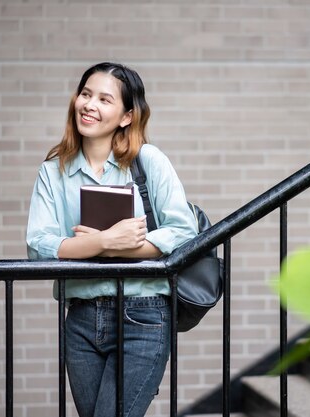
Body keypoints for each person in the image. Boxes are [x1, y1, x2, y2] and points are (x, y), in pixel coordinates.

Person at [26, 62, 198, 417]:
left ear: (126, 116)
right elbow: (38, 245)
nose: (89, 105)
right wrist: (107, 241)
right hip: (81, 319)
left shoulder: (147, 160)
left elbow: (183, 232)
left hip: (143, 316)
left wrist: (127, 246)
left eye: (105, 99)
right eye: (86, 94)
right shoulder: (53, 170)